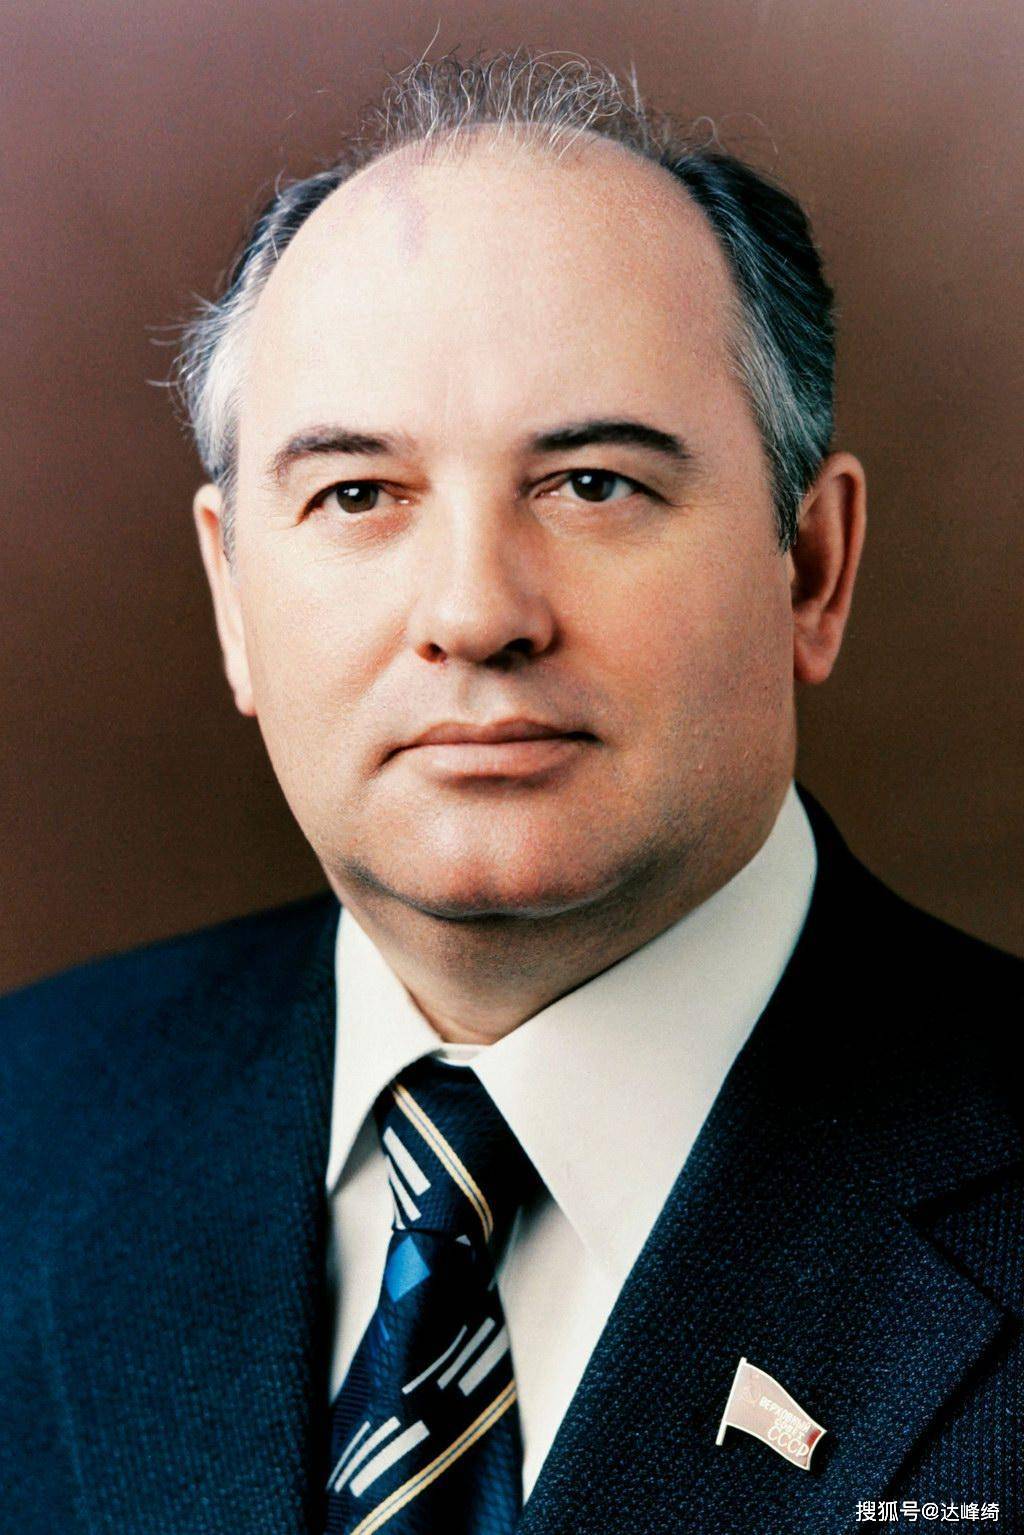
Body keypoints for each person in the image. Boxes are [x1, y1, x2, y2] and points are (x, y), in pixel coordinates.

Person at [1, 50, 1019, 1535]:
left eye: (594, 484)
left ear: (811, 566)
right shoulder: (25, 1121)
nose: (476, 614)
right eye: (359, 494)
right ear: (232, 597)